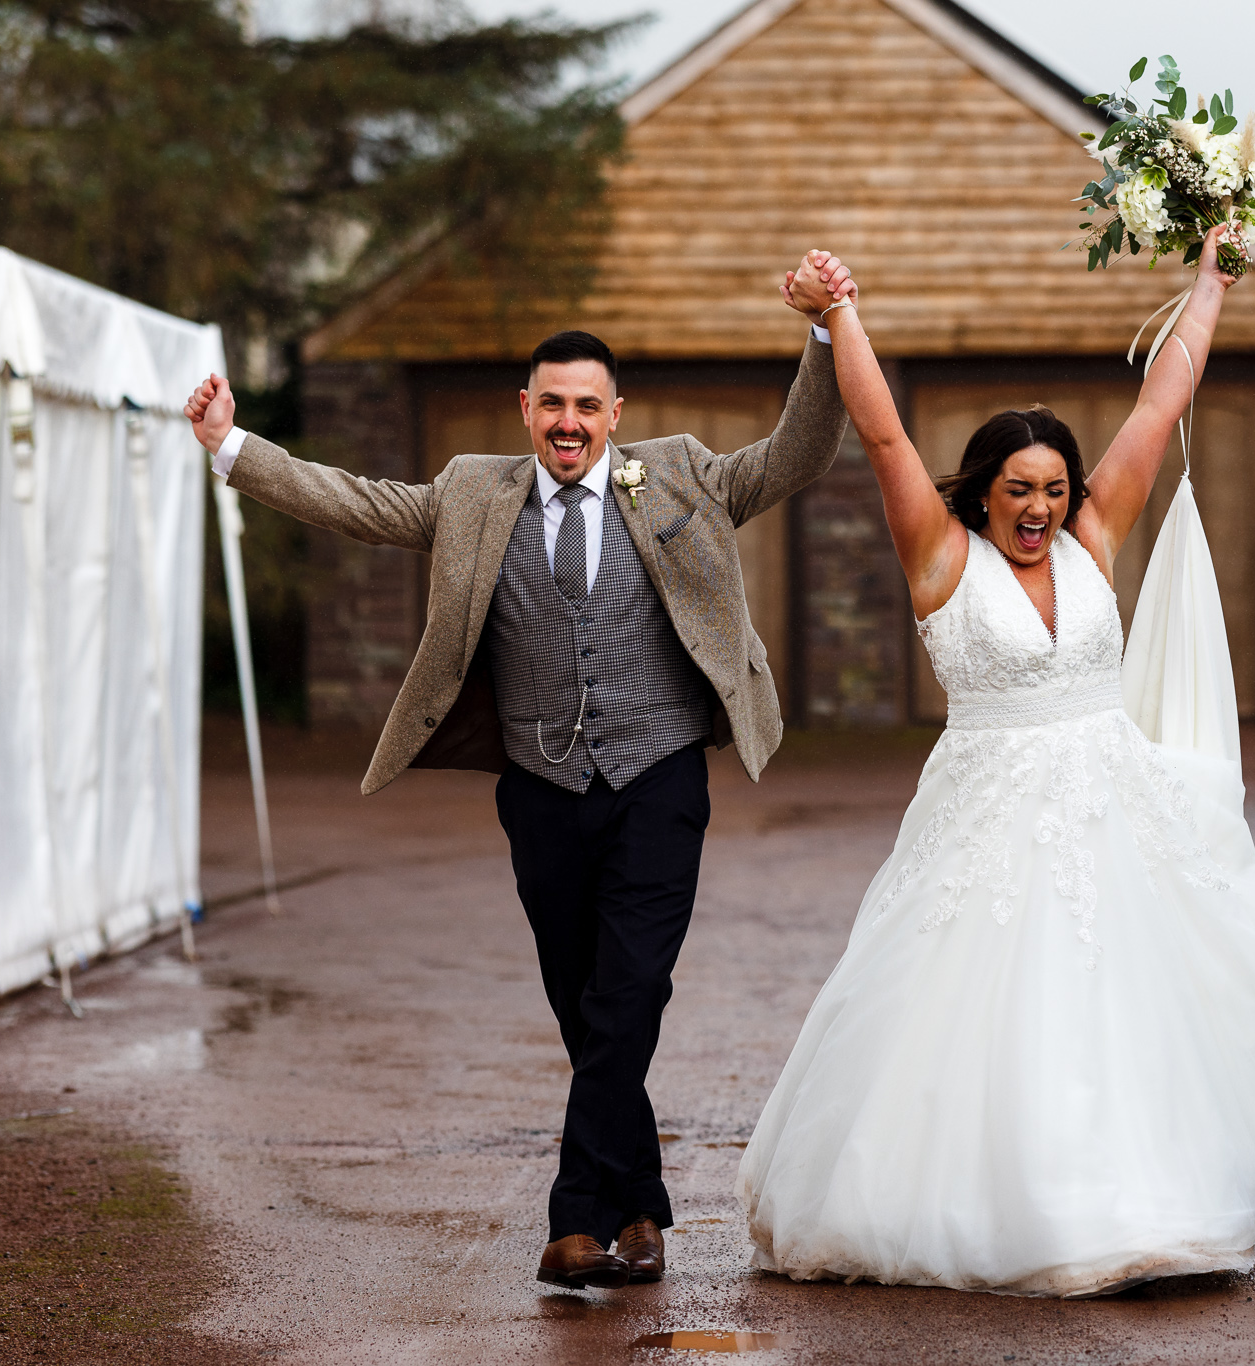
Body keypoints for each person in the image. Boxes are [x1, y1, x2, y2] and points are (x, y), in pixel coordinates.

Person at [183, 252, 857, 1292]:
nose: (569, 422)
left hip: (659, 774)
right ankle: (639, 1209)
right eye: (552, 404)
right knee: (583, 1003)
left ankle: (573, 1220)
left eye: (588, 404)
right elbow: (358, 503)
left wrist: (822, 336)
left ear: (616, 411)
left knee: (629, 989)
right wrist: (232, 446)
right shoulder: (471, 493)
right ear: (525, 409)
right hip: (539, 790)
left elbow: (797, 454)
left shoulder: (680, 471)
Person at [740, 229, 1255, 1298]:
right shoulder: (938, 553)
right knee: (996, 1018)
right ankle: (1012, 1212)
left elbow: (1157, 404)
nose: (1038, 507)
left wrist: (1209, 284)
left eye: (1053, 487)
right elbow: (878, 436)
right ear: (982, 489)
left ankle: (1145, 1207)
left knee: (1124, 1003)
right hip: (987, 818)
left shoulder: (1093, 541)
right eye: (1018, 487)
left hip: (1115, 811)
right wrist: (838, 316)